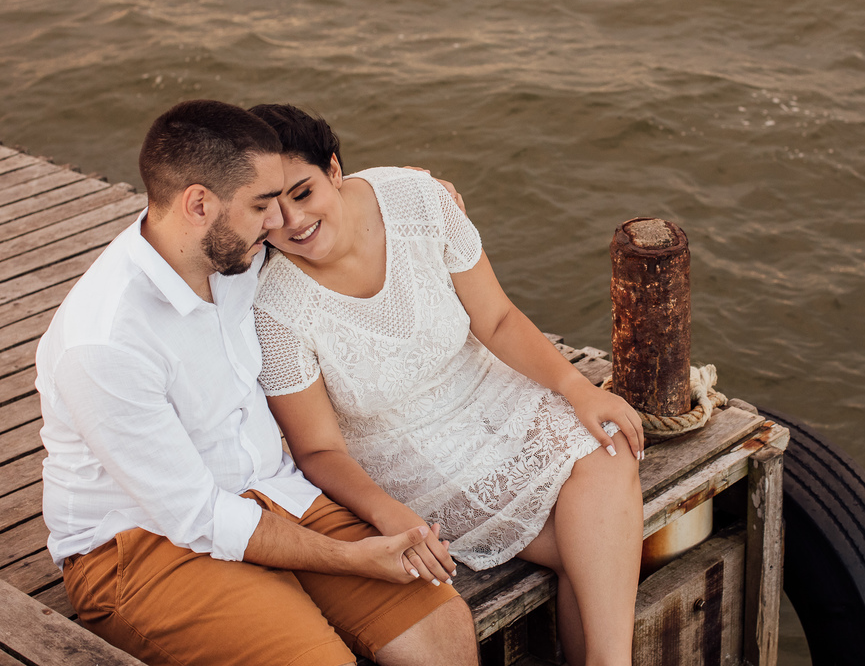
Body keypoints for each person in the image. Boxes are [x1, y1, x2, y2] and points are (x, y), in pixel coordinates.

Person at [36, 100, 479, 666]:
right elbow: (197, 517)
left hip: (274, 492)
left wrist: (408, 188)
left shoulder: (231, 250)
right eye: (262, 205)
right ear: (198, 204)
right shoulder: (104, 343)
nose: (280, 222)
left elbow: (318, 180)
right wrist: (352, 559)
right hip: (144, 545)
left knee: (441, 621)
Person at [248, 104, 645, 666]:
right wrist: (389, 514)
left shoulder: (419, 200)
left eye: (303, 192)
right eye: (268, 207)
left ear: (334, 170)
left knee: (608, 451)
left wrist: (579, 388)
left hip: (493, 393)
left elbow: (498, 319)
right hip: (411, 456)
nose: (291, 221)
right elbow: (317, 448)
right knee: (594, 549)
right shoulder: (273, 305)